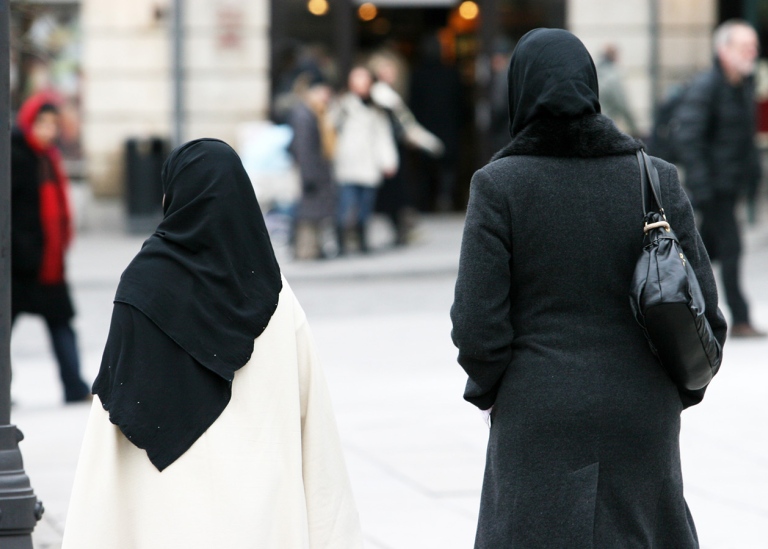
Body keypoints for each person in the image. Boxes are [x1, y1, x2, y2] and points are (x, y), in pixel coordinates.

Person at [450, 29, 727, 548]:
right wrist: (674, 393)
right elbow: (705, 316)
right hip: (640, 412)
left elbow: (475, 326)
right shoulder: (656, 179)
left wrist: (494, 391)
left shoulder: (498, 186)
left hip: (538, 414)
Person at [62, 139, 362, 548]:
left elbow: (111, 423)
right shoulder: (274, 296)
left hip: (170, 518)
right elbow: (314, 420)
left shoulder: (143, 288)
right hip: (265, 517)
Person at [676, 19, 764, 338]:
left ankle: (680, 306)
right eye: (745, 46)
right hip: (713, 189)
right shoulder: (707, 86)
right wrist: (702, 187)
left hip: (728, 186)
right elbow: (690, 138)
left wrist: (752, 180)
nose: (752, 52)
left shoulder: (741, 85)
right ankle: (739, 319)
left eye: (753, 46)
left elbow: (744, 140)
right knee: (731, 249)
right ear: (723, 50)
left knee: (704, 251)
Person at [11, 91, 91, 404]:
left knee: (62, 325)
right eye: (41, 123)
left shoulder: (48, 157)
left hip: (49, 264)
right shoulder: (15, 156)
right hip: (19, 265)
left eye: (52, 124)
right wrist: (21, 248)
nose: (47, 130)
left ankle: (74, 387)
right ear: (28, 122)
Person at [332, 66, 398, 254]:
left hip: (369, 164)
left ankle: (361, 241)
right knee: (345, 206)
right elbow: (330, 130)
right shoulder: (343, 105)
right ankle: (341, 243)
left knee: (365, 207)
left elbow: (383, 137)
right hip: (348, 163)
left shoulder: (377, 107)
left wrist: (388, 161)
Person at [288, 77, 337, 259]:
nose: (327, 96)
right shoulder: (305, 114)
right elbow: (303, 148)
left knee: (315, 213)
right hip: (310, 173)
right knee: (307, 215)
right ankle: (306, 250)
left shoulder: (316, 112)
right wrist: (308, 176)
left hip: (316, 171)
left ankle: (314, 248)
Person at [596, 44, 639, 136]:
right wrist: (635, 129)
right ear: (614, 56)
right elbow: (622, 104)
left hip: (594, 124)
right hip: (608, 126)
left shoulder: (595, 72)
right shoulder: (613, 76)